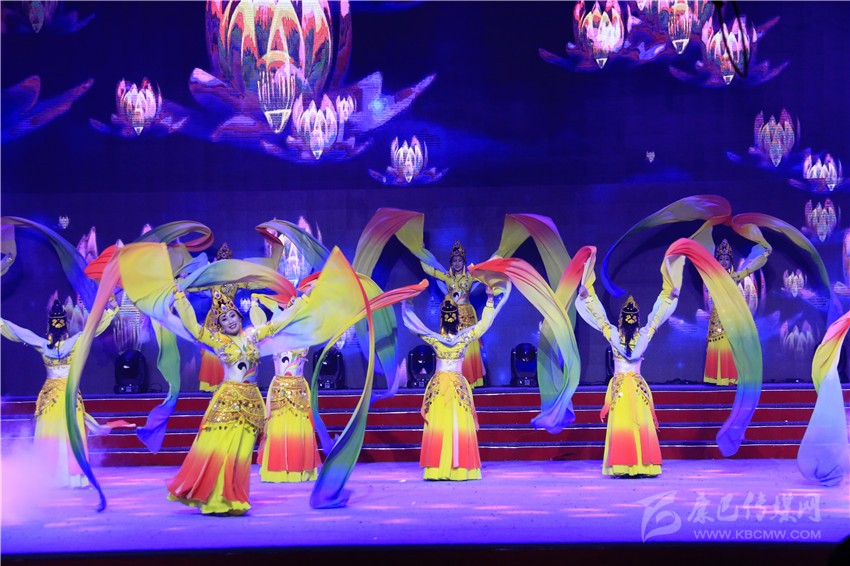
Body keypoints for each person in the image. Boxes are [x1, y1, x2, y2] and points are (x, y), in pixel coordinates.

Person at [168, 287, 287, 515]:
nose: (230, 321)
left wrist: (303, 302)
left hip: (251, 402)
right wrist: (180, 298)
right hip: (228, 402)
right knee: (221, 450)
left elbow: (277, 324)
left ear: (239, 317)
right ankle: (215, 500)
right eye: (224, 319)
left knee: (242, 454)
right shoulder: (218, 340)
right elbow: (193, 327)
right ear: (220, 324)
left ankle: (234, 499)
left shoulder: (252, 335)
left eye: (232, 315)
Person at [0, 298, 120, 488]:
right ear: (65, 327)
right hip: (70, 395)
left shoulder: (41, 344)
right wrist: (111, 311)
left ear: (49, 327)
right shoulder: (75, 341)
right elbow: (93, 328)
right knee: (71, 434)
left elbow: (17, 331)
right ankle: (75, 478)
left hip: (51, 397)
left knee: (50, 433)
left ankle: (50, 478)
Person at [577, 287, 678, 477]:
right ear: (637, 320)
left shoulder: (614, 335)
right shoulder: (643, 336)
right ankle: (643, 467)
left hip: (621, 388)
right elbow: (656, 318)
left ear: (621, 320)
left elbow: (600, 319)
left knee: (624, 425)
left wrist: (588, 298)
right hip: (637, 388)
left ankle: (623, 466)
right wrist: (669, 299)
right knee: (638, 424)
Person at [402, 285, 499, 480]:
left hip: (439, 388)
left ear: (441, 320)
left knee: (441, 424)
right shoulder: (464, 338)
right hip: (457, 387)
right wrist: (489, 301)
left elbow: (413, 326)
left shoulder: (435, 339)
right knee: (457, 425)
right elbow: (484, 324)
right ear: (458, 320)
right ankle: (460, 470)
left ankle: (437, 469)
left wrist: (408, 303)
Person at [420, 241, 486, 388]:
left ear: (464, 262)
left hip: (468, 317)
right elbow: (428, 269)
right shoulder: (447, 277)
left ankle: (469, 382)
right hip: (452, 319)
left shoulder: (470, 276)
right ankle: (454, 380)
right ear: (451, 262)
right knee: (452, 349)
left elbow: (486, 274)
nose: (457, 263)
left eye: (459, 260)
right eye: (454, 260)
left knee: (468, 348)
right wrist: (421, 253)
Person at [258, 347, 321, 482]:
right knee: (277, 429)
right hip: (279, 389)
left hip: (299, 389)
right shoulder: (275, 340)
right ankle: (277, 472)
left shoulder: (304, 340)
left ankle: (299, 470)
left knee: (299, 427)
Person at [704, 239, 761, 386]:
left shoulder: (736, 276)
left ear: (731, 261)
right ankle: (717, 378)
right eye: (721, 259)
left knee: (732, 346)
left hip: (732, 315)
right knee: (718, 343)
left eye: (726, 259)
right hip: (718, 315)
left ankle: (731, 377)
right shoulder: (712, 277)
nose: (724, 262)